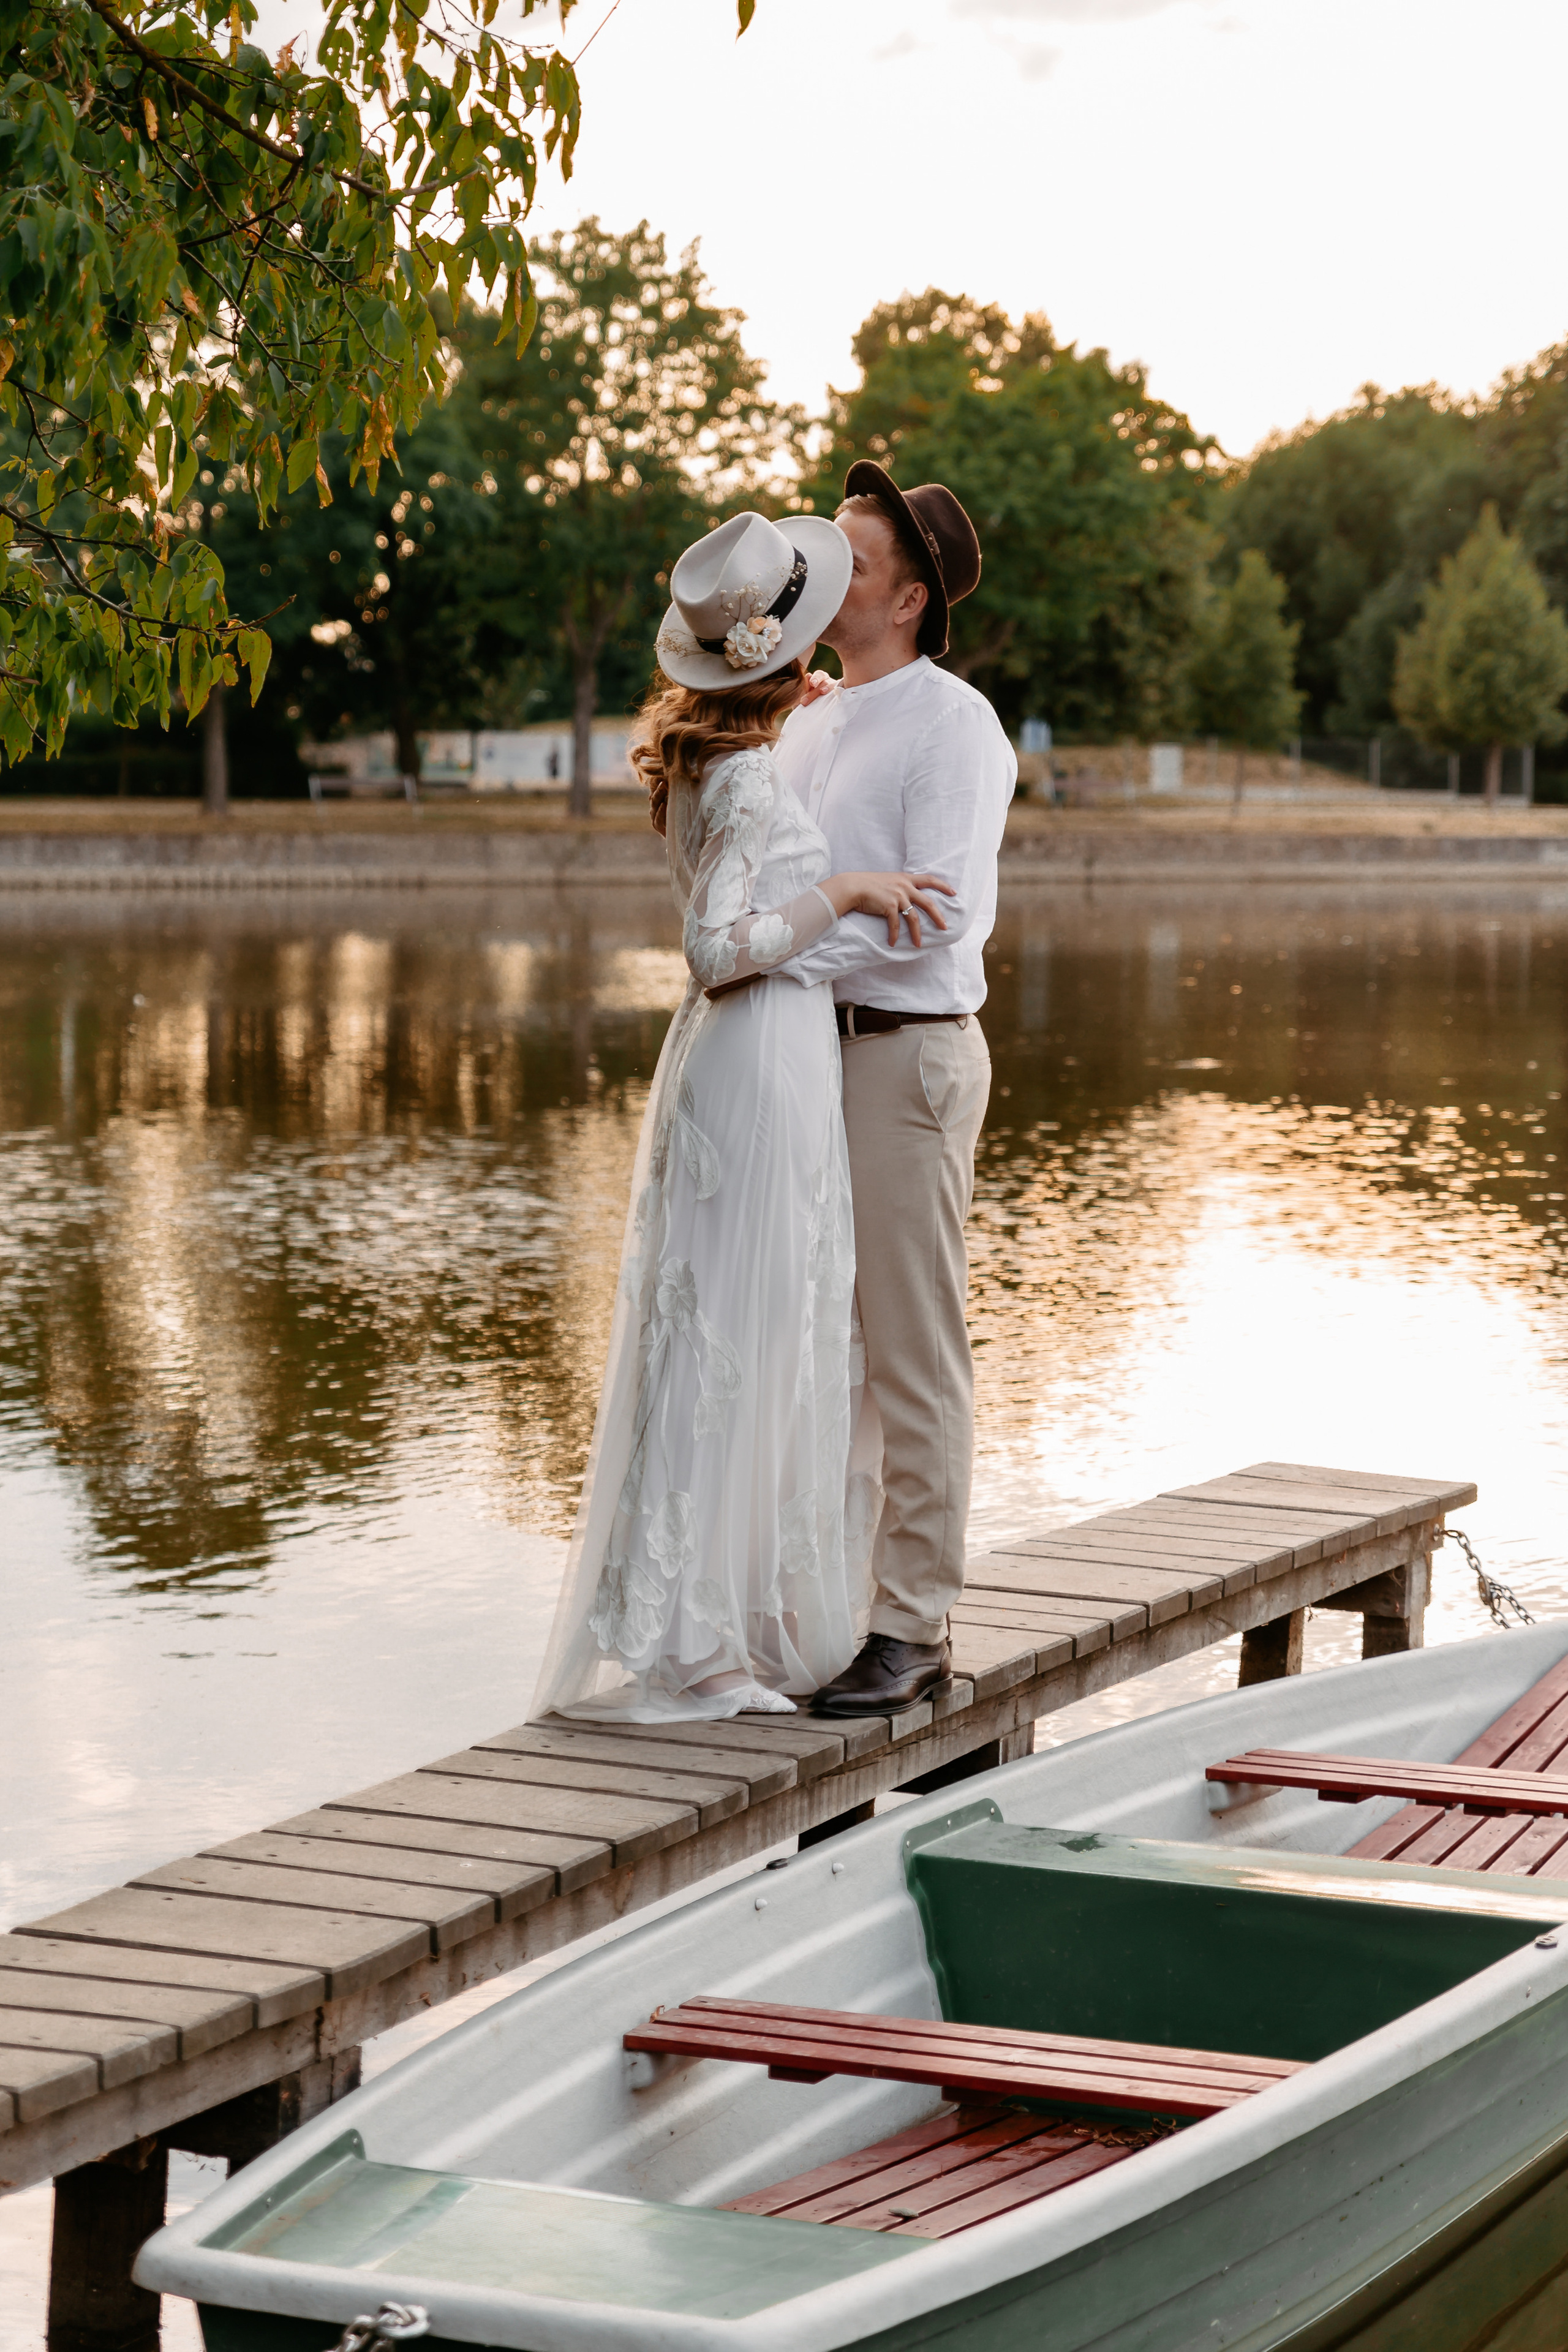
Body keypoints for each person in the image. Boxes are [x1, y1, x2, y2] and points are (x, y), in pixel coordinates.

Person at [529, 509, 952, 1722]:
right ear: (784, 646)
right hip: (756, 1054)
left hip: (749, 1064)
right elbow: (717, 950)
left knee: (730, 1335)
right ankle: (705, 1649)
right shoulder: (749, 775)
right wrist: (846, 892)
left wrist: (784, 712)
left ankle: (718, 1618)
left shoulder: (712, 759)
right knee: (739, 1335)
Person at [770, 462, 1016, 1717]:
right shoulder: (810, 718)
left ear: (909, 599)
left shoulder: (951, 725)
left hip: (906, 1055)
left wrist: (774, 956)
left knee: (912, 1349)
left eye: (849, 562)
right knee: (828, 1345)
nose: (820, 575)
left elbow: (937, 915)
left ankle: (913, 1628)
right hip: (806, 1060)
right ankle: (832, 1602)